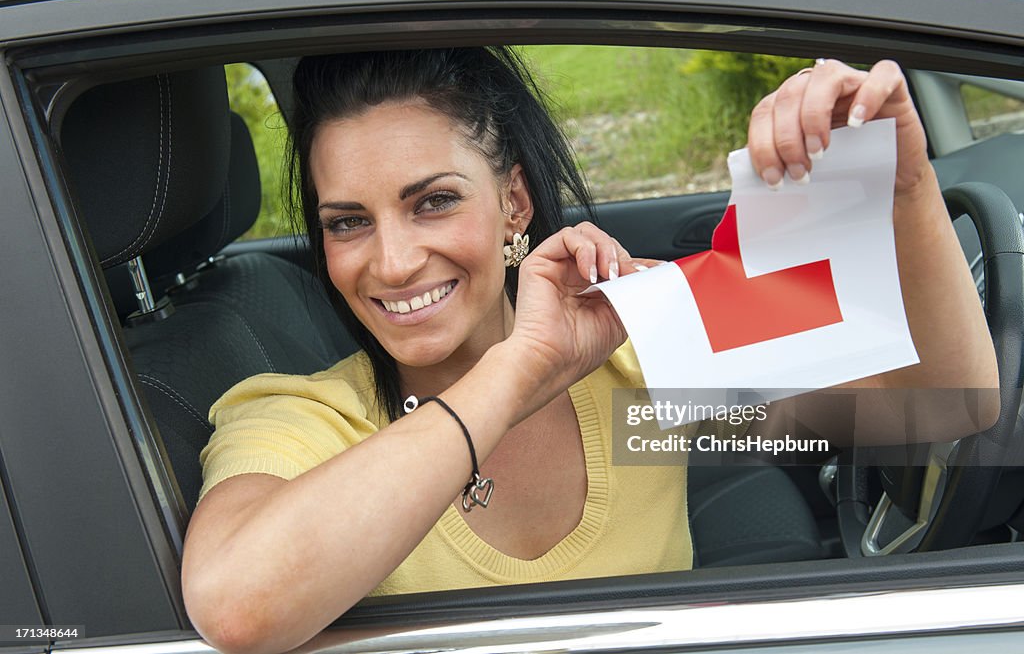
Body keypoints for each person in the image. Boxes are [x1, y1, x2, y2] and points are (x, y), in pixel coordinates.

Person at [181, 47, 998, 654]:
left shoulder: (634, 362)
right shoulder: (297, 416)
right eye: (347, 222)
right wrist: (519, 368)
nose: (390, 262)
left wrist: (906, 188)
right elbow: (240, 605)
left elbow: (947, 403)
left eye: (433, 202)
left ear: (513, 205)